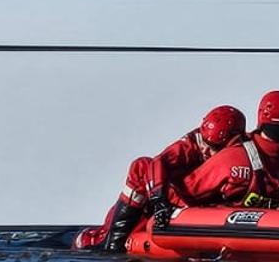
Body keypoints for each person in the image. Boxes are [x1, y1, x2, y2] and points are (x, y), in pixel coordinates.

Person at [75, 105, 244, 252]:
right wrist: (160, 200)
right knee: (141, 167)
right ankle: (111, 242)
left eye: (214, 147)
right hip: (165, 205)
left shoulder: (238, 156)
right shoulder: (189, 146)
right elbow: (158, 162)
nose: (207, 150)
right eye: (205, 142)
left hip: (200, 206)